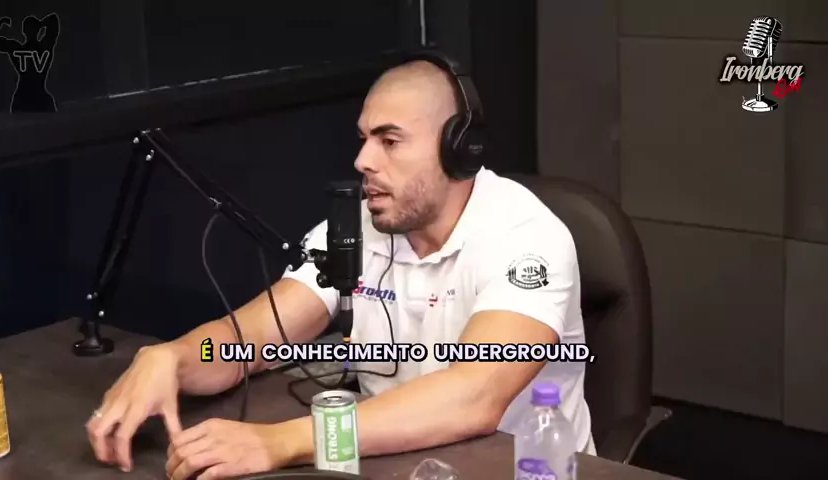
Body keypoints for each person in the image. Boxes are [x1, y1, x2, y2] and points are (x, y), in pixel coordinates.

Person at [85, 54, 595, 480]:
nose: (363, 160)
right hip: (396, 462)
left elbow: (474, 396)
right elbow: (255, 336)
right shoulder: (357, 228)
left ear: (459, 149)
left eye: (389, 141)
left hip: (523, 469)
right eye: (364, 138)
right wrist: (173, 358)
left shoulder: (527, 238)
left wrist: (281, 442)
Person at [0, 14, 60, 113]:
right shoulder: (45, 47)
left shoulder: (16, 48)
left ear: (23, 31)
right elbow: (53, 22)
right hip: (37, 96)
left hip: (23, 97)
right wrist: (41, 24)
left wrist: (0, 23)